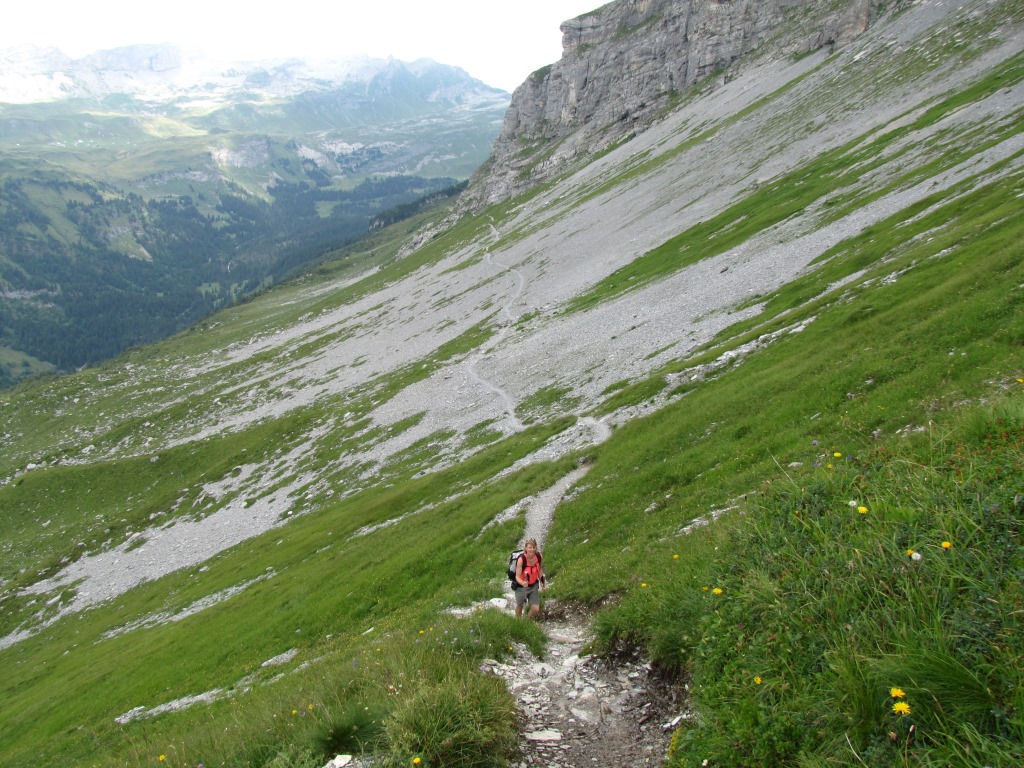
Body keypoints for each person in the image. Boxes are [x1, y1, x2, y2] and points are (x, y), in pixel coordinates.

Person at [514, 538, 546, 619]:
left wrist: (542, 583)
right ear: (525, 548)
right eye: (530, 547)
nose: (532, 550)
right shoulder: (521, 559)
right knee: (520, 605)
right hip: (521, 587)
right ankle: (518, 622)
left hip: (533, 586)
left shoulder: (539, 556)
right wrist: (523, 583)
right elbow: (517, 576)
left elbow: (539, 570)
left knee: (535, 609)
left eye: (534, 547)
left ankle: (527, 622)